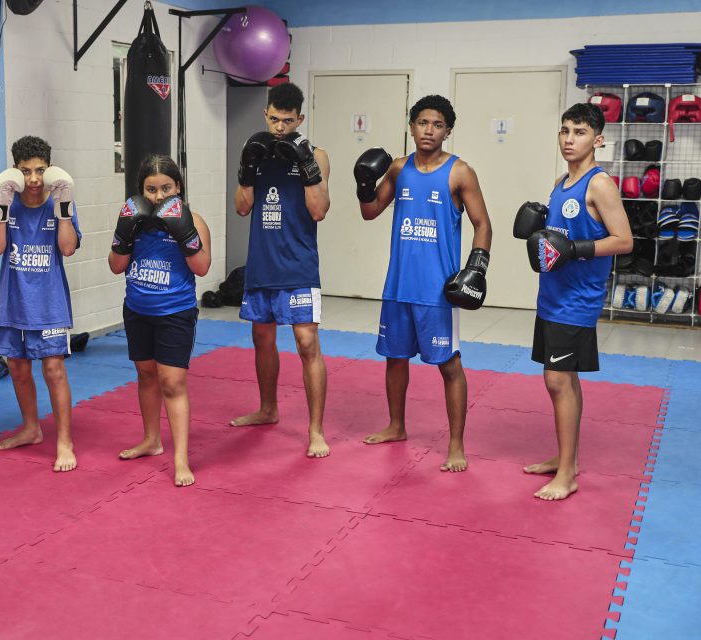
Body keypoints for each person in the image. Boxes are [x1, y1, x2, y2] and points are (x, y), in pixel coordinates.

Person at [354, 95, 493, 472]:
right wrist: (365, 184)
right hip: (399, 284)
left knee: (449, 364)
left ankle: (456, 444)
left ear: (447, 130)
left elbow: (483, 224)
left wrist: (476, 268)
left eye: (436, 125)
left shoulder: (460, 172)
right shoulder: (399, 169)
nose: (428, 130)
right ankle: (396, 426)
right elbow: (370, 213)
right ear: (411, 126)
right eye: (421, 123)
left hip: (437, 290)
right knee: (394, 358)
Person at [514, 103, 632, 500]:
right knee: (564, 381)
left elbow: (624, 240)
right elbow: (556, 238)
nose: (569, 139)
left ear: (597, 139)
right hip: (552, 294)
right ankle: (567, 459)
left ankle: (567, 474)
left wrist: (577, 249)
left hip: (578, 298)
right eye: (564, 130)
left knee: (557, 379)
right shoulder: (561, 181)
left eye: (579, 132)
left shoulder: (600, 184)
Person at [231, 82, 332, 458]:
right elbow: (242, 207)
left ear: (300, 119)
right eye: (274, 119)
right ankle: (267, 408)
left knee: (307, 344)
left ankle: (316, 430)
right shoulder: (254, 150)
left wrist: (305, 165)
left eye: (287, 121)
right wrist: (246, 170)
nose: (278, 128)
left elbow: (319, 210)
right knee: (263, 339)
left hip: (299, 265)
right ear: (265, 114)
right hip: (262, 262)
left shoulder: (317, 155)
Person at [108, 154, 211, 487]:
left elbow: (202, 267)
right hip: (138, 309)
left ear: (177, 187)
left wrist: (185, 234)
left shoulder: (192, 219)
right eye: (151, 189)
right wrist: (124, 233)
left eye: (165, 188)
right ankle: (151, 439)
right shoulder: (134, 220)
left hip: (175, 313)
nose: (157, 196)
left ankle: (181, 458)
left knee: (172, 383)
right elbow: (115, 265)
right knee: (146, 375)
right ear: (141, 190)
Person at [0, 135, 82, 472]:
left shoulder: (58, 201)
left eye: (40, 170)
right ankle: (30, 428)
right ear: (16, 170)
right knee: (17, 367)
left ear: (49, 168)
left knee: (53, 370)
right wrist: (0, 208)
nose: (35, 179)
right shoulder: (5, 201)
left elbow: (68, 248)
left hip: (49, 303)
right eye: (26, 171)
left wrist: (65, 209)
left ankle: (65, 441)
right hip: (12, 302)